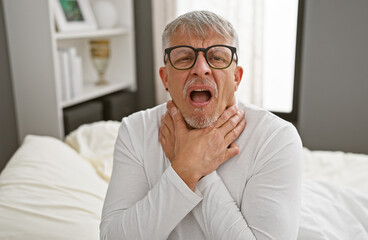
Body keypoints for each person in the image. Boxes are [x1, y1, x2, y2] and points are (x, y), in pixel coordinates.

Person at [100, 10, 303, 239]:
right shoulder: (135, 130)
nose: (201, 68)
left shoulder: (276, 138)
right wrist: (186, 170)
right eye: (185, 58)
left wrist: (195, 169)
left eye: (216, 57)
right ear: (165, 78)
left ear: (236, 77)